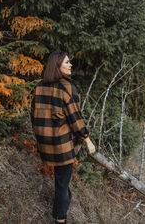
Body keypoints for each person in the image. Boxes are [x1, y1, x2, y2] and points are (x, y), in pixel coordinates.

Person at [31, 52, 95, 224]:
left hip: (45, 145)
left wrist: (41, 138)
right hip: (62, 147)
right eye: (67, 62)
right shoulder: (67, 87)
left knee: (62, 185)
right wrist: (87, 139)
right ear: (57, 66)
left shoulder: (39, 86)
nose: (70, 65)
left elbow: (34, 117)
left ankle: (59, 214)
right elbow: (75, 118)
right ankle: (60, 220)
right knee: (62, 187)